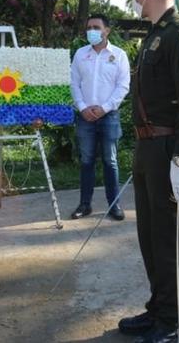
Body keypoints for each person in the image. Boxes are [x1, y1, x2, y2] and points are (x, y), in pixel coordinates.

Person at [117, 0, 179, 343]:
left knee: (169, 238)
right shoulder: (155, 34)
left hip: (170, 147)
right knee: (150, 236)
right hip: (148, 146)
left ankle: (172, 321)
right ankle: (158, 308)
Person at [69, 13, 130, 221]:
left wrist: (104, 108)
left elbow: (123, 86)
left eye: (96, 27)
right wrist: (82, 107)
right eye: (89, 28)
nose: (91, 31)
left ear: (107, 31)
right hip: (85, 116)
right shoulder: (80, 54)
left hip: (109, 115)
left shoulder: (119, 55)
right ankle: (84, 205)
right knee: (86, 161)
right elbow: (74, 84)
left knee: (110, 161)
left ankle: (114, 205)